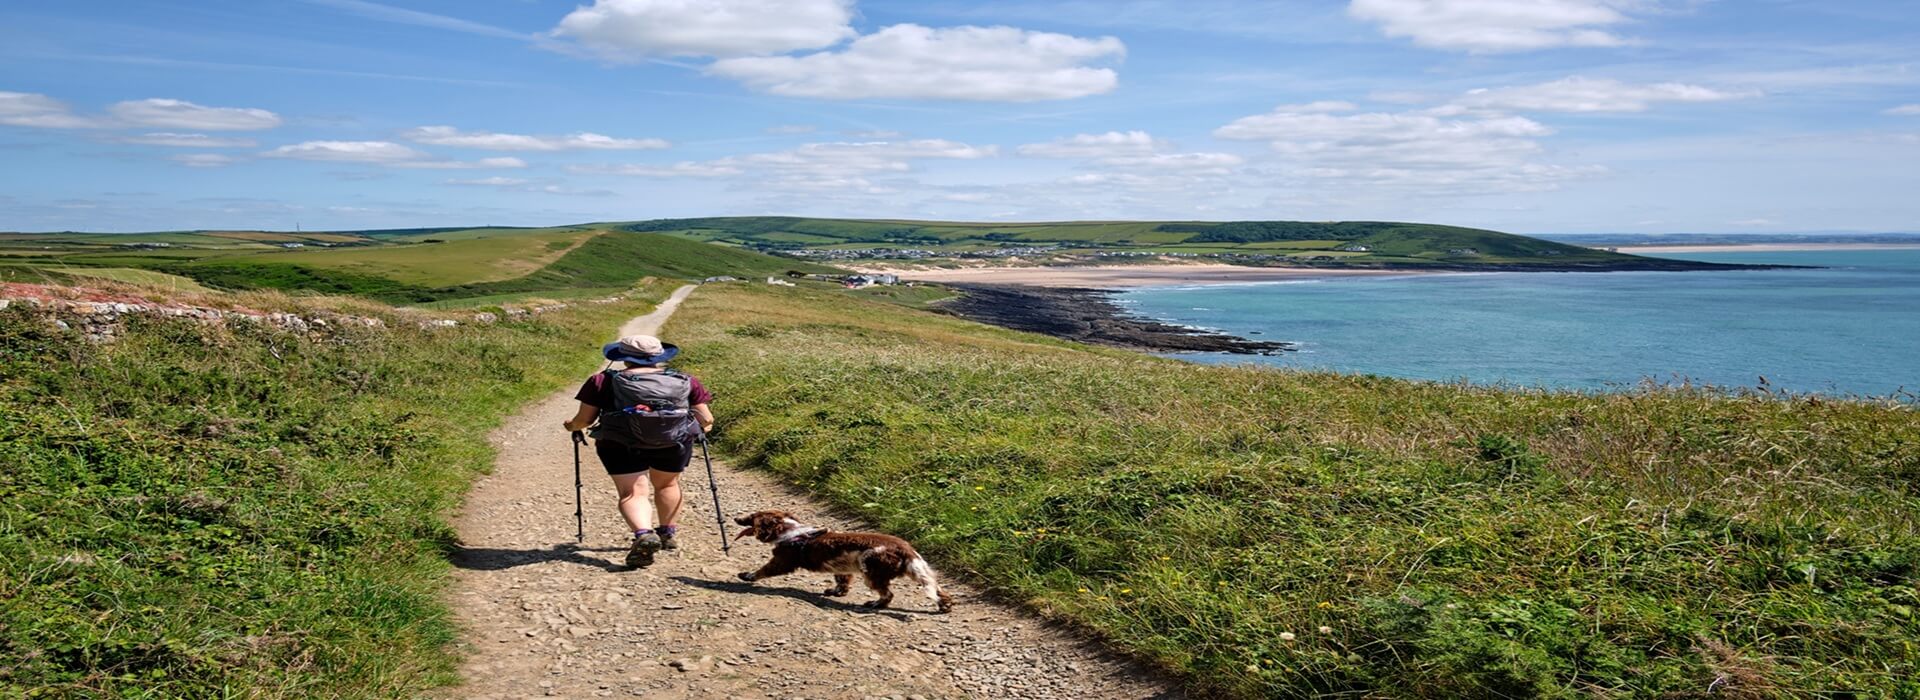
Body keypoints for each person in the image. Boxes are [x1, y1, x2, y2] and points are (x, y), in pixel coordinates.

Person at [561, 334, 715, 568]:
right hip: (673, 442)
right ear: (657, 356)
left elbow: (585, 419)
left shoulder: (602, 381)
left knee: (633, 492)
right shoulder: (685, 380)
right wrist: (698, 429)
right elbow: (706, 419)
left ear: (624, 358)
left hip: (619, 443)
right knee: (668, 484)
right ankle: (668, 533)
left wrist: (571, 426)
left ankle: (644, 534)